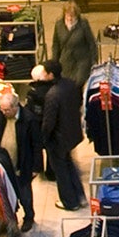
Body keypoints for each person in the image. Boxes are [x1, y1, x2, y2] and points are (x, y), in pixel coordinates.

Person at [35, 58, 86, 210]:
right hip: (73, 133)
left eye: (44, 72)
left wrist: (43, 139)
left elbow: (48, 123)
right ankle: (79, 195)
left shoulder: (52, 95)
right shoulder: (70, 84)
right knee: (69, 165)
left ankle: (70, 202)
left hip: (58, 139)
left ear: (50, 75)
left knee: (61, 171)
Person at [0, 87, 42, 227]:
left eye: (7, 110)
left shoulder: (29, 119)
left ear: (15, 106)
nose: (4, 112)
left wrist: (36, 167)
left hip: (21, 164)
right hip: (2, 165)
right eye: (2, 109)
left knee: (24, 194)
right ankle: (11, 218)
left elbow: (37, 144)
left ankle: (29, 217)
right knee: (6, 194)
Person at [50, 0, 97, 87]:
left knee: (78, 84)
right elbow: (56, 44)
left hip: (82, 61)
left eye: (73, 16)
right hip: (66, 61)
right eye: (68, 15)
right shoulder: (59, 24)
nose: (70, 18)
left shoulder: (83, 23)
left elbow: (91, 43)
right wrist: (54, 62)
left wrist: (94, 60)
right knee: (66, 85)